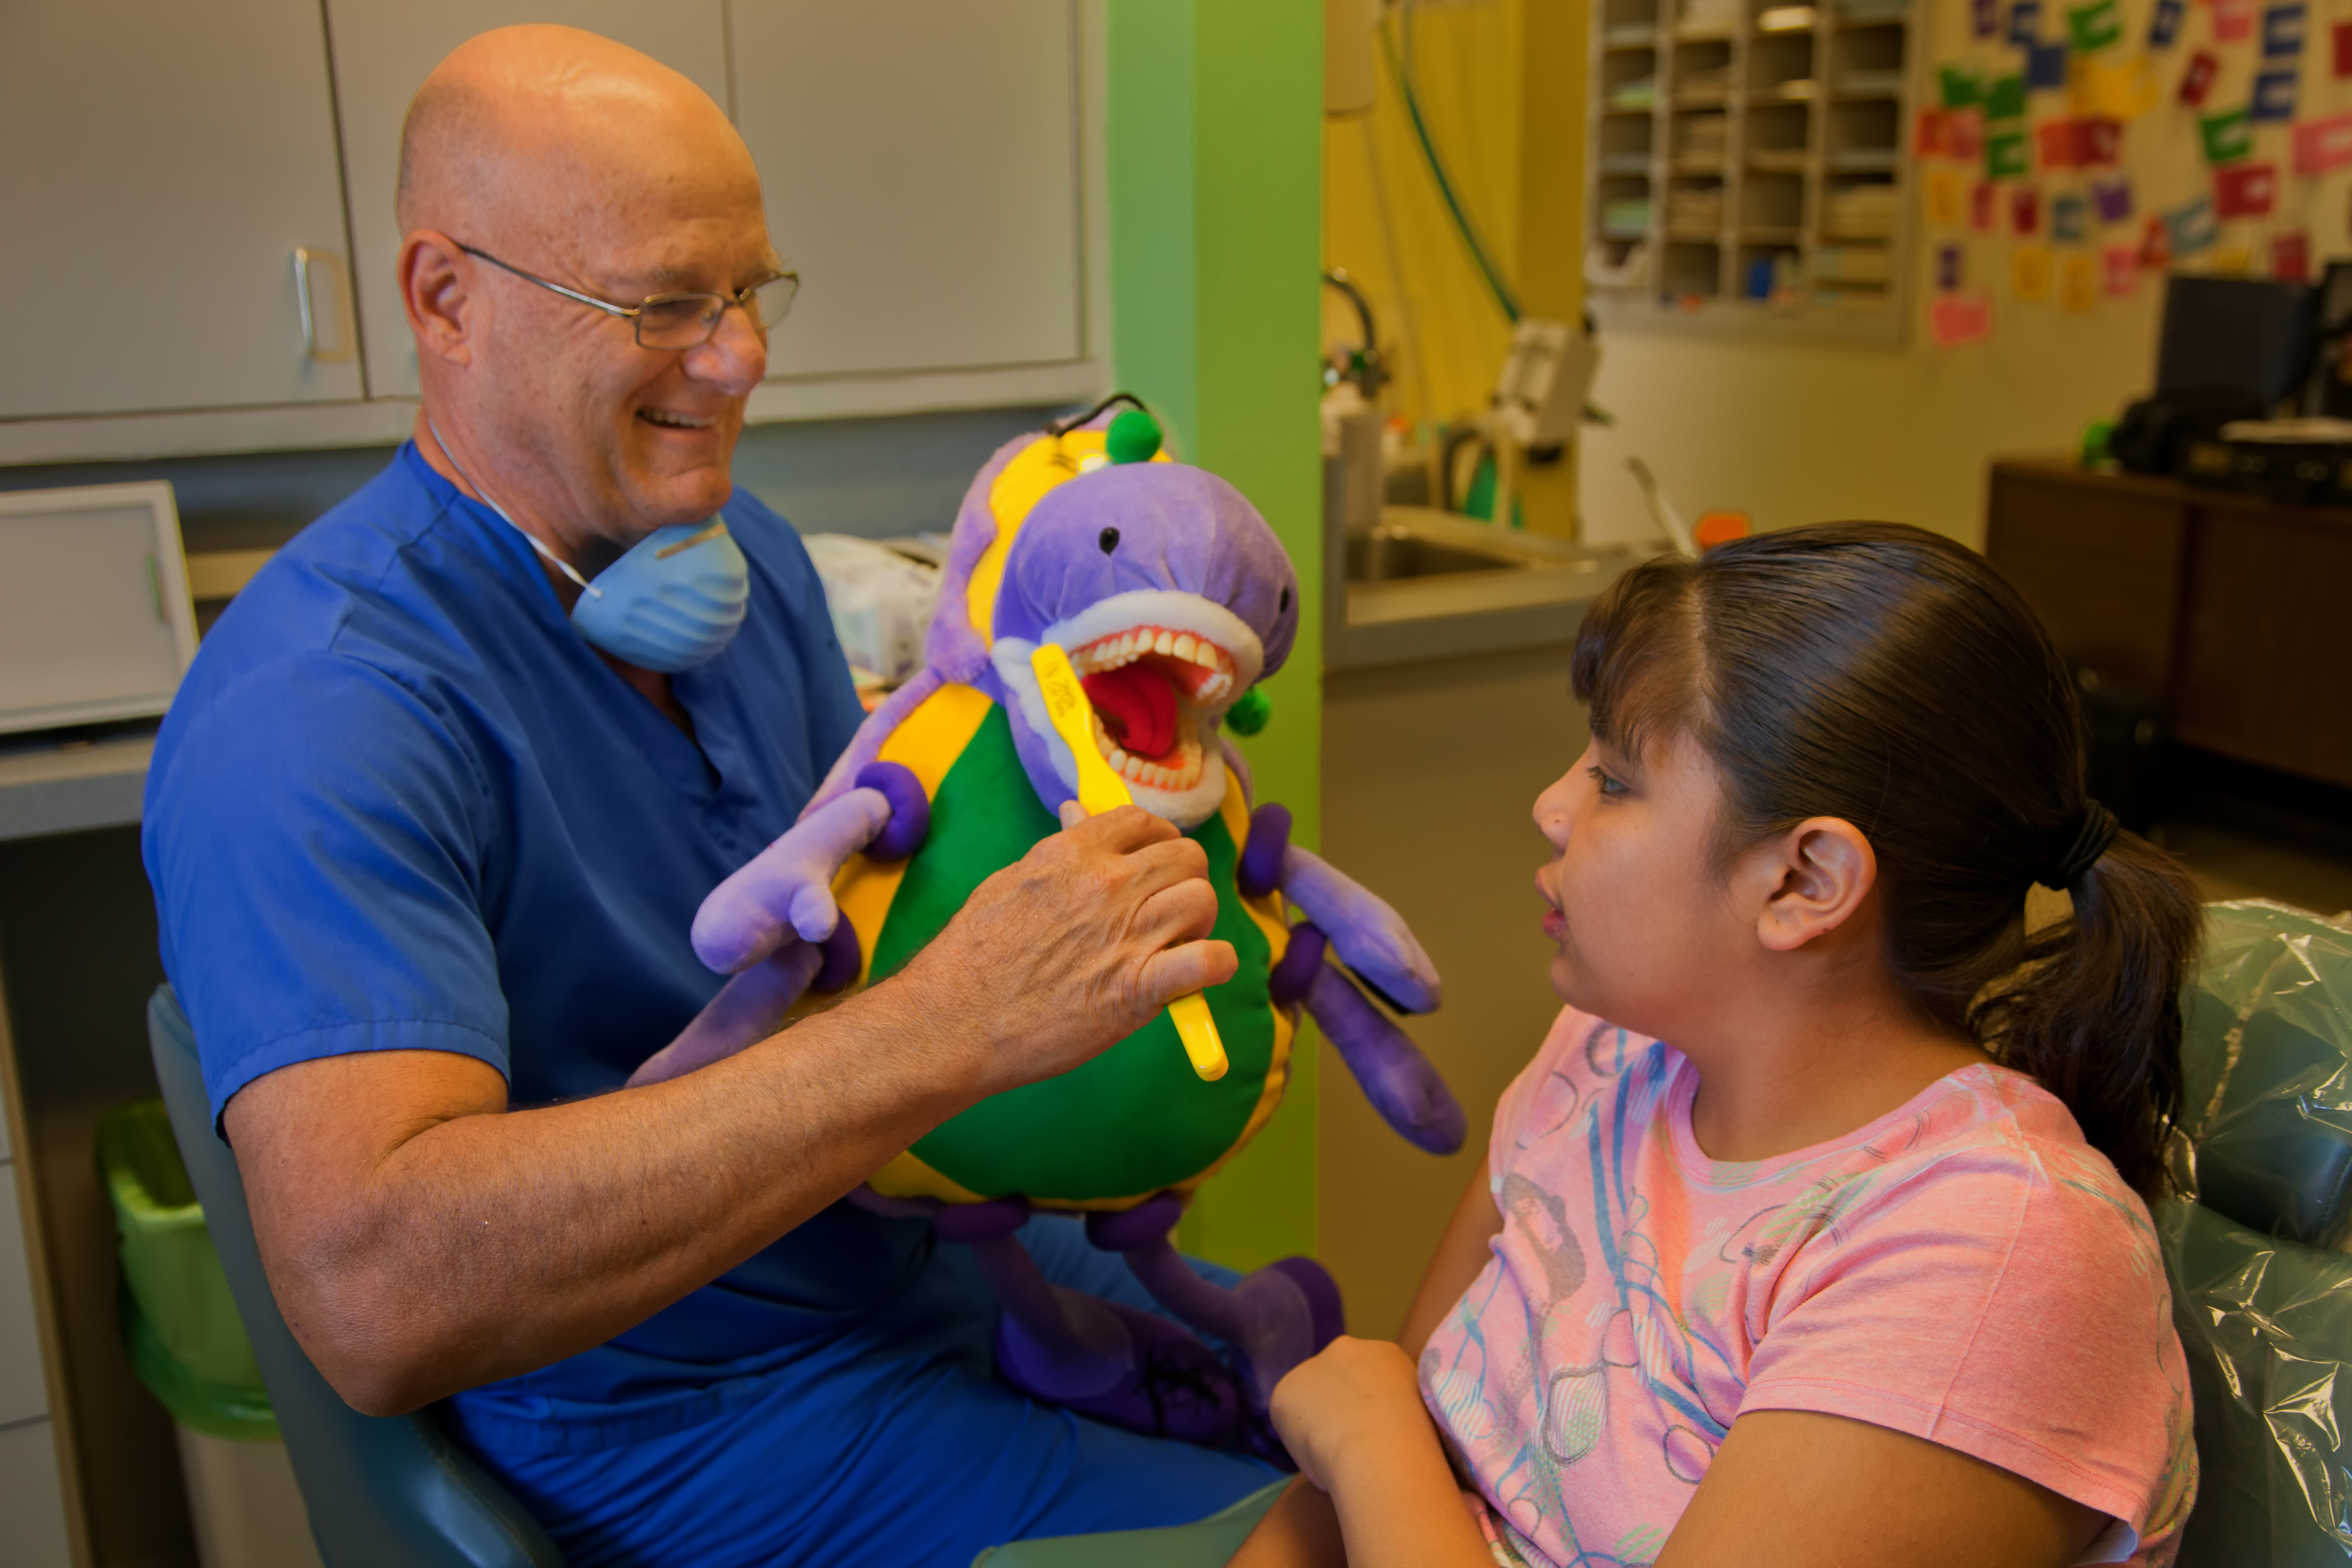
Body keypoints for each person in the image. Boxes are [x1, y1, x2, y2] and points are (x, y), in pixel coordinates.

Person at [141, 25, 1274, 1566]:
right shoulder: (320, 708)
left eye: (748, 291)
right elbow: (377, 1294)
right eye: (666, 301)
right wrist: (952, 1022)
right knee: (1314, 1539)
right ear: (443, 298)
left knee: (1409, 1438)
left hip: (914, 1269)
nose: (739, 357)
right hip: (688, 1412)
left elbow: (844, 955)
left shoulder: (755, 586)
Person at [1233, 524, 2202, 1568]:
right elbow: (1392, 1471)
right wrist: (1375, 1439)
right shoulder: (1606, 1056)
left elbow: (1384, 1436)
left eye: (1613, 780)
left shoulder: (1995, 1253)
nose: (1552, 807)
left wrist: (1370, 1437)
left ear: (1803, 882)